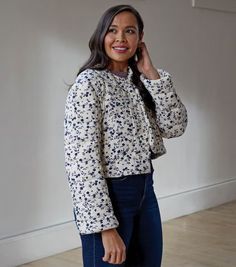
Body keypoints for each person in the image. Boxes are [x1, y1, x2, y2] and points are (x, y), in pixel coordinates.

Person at [64, 4, 187, 267]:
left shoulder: (140, 81)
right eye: (112, 30)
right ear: (101, 36)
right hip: (109, 197)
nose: (120, 38)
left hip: (145, 192)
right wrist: (105, 227)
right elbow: (81, 163)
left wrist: (151, 74)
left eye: (129, 31)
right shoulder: (89, 84)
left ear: (140, 40)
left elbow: (175, 126)